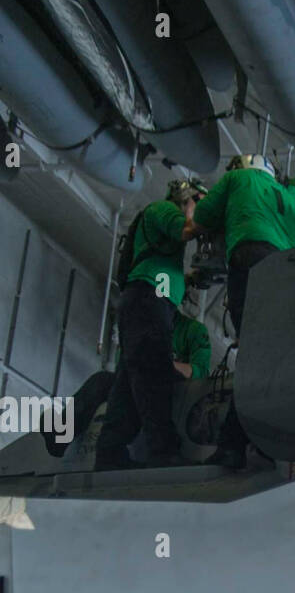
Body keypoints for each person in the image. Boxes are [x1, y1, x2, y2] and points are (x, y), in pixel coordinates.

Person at [193, 153, 295, 468]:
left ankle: (236, 444)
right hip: (283, 272)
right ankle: (261, 442)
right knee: (269, 356)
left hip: (249, 256)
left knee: (253, 355)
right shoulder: (286, 196)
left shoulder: (236, 178)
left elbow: (202, 216)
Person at [94, 179, 205, 470]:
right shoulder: (163, 210)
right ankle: (163, 449)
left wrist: (190, 278)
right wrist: (195, 211)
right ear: (186, 198)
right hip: (148, 300)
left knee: (130, 381)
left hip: (146, 300)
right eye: (197, 201)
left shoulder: (160, 237)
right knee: (154, 373)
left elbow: (165, 268)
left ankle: (109, 451)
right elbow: (188, 229)